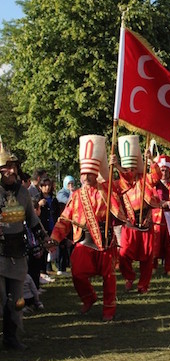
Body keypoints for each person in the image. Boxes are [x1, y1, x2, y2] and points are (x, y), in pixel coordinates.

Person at [51, 135, 125, 322]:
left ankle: (109, 310)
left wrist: (116, 167)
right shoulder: (76, 196)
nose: (85, 178)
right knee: (77, 273)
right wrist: (55, 238)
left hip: (105, 240)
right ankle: (89, 298)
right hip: (84, 240)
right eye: (83, 174)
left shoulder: (107, 190)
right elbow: (65, 218)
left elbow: (126, 186)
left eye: (89, 174)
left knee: (109, 277)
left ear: (96, 173)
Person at [1, 139, 50, 350]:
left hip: (18, 253)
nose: (11, 171)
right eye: (6, 167)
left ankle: (12, 338)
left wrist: (44, 238)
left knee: (18, 300)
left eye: (13, 166)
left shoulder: (22, 192)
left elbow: (31, 218)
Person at [113, 135, 161, 293]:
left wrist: (152, 160)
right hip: (130, 226)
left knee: (147, 258)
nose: (130, 172)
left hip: (146, 226)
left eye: (132, 169)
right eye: (127, 170)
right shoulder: (120, 184)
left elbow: (156, 176)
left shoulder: (145, 179)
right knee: (124, 254)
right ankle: (129, 277)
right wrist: (116, 166)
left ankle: (143, 285)